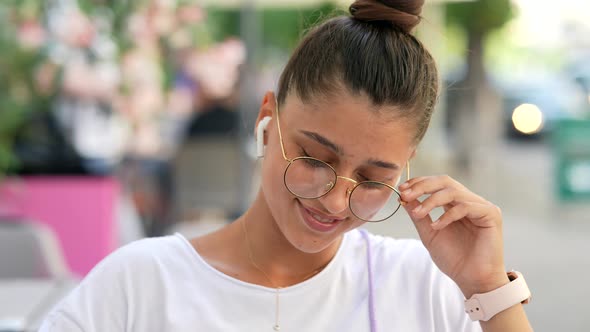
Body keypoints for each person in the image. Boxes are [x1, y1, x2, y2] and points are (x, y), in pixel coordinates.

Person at [39, 0, 533, 331]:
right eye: (315, 158)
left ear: (407, 171)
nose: (335, 201)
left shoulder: (428, 285)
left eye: (373, 179)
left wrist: (488, 288)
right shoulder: (139, 285)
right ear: (267, 120)